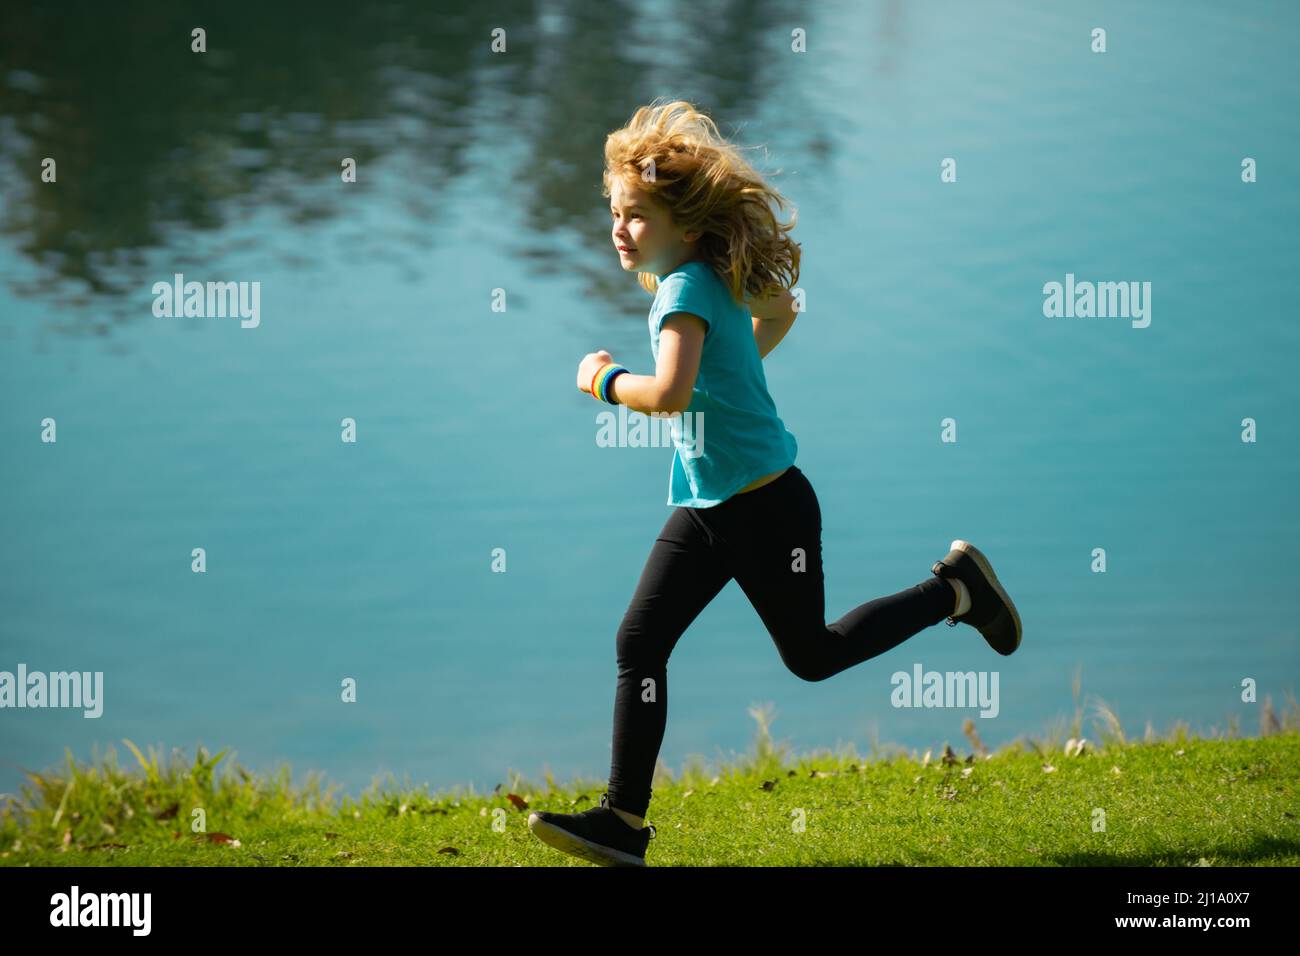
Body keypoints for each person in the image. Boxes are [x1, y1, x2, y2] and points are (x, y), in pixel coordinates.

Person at [527, 99, 1022, 867]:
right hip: (713, 501)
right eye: (616, 214)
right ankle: (623, 824)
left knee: (811, 656)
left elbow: (667, 395)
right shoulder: (709, 278)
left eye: (637, 217)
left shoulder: (683, 291)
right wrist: (735, 379)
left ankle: (955, 590)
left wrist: (601, 380)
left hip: (763, 508)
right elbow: (781, 310)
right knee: (640, 641)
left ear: (686, 226)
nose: (620, 230)